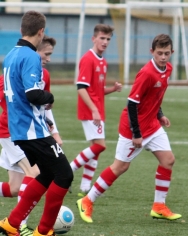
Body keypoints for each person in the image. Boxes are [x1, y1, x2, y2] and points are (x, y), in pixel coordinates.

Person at [76, 33, 182, 224]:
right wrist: (137, 133)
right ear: (152, 52)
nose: (164, 57)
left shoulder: (168, 69)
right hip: (133, 128)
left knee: (168, 160)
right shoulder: (147, 73)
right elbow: (132, 104)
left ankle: (159, 206)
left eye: (167, 53)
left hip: (152, 125)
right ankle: (87, 200)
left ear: (172, 52)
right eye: (160, 53)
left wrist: (160, 115)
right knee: (121, 166)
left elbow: (155, 97)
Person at [0, 11, 73, 236]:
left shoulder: (10, 55)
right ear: (41, 32)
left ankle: (12, 224)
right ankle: (44, 232)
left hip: (19, 129)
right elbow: (33, 94)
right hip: (32, 129)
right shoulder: (31, 56)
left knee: (47, 174)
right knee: (64, 174)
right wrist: (49, 97)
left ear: (22, 29)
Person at [70, 24, 122, 196]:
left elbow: (97, 90)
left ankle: (85, 185)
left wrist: (112, 89)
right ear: (94, 39)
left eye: (108, 39)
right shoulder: (88, 58)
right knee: (100, 146)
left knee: (95, 147)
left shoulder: (103, 61)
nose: (105, 42)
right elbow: (81, 88)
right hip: (91, 110)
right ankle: (67, 171)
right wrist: (93, 110)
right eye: (102, 38)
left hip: (98, 109)